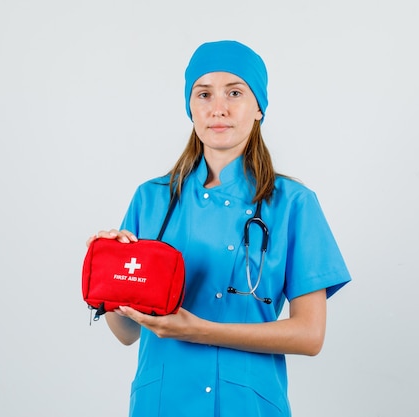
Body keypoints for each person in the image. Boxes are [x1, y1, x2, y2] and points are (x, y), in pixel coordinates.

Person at [86, 40, 351, 417]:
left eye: (235, 92)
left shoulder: (293, 203)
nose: (218, 108)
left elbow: (310, 335)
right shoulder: (152, 199)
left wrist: (199, 330)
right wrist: (110, 277)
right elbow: (126, 334)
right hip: (162, 403)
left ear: (258, 107)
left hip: (247, 404)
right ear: (190, 107)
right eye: (204, 93)